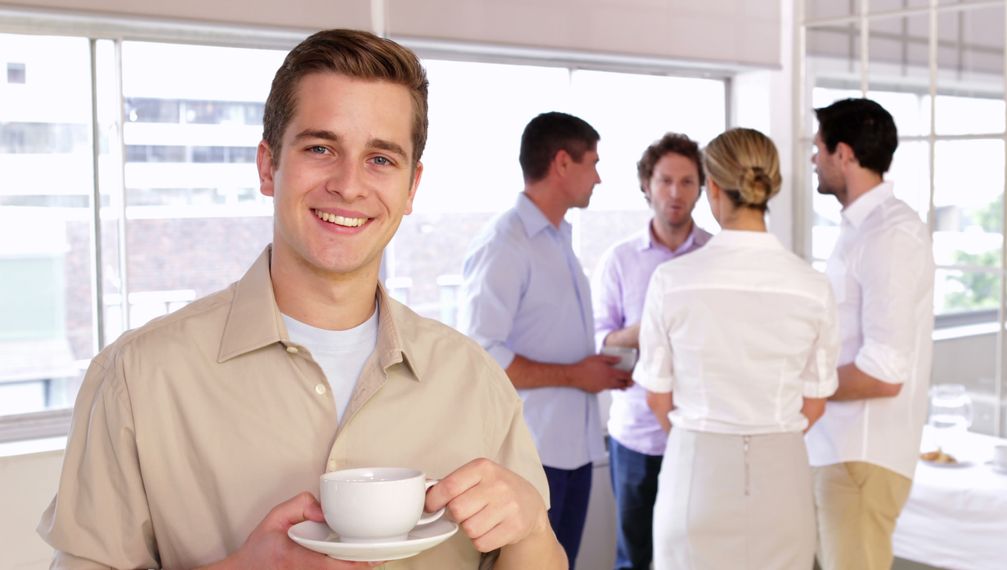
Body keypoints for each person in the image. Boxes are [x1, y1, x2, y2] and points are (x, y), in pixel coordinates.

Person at [38, 29, 567, 570]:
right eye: (320, 148)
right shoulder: (137, 378)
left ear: (412, 188)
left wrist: (531, 530)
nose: (349, 184)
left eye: (381, 160)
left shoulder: (475, 382)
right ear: (269, 166)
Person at [636, 127, 839, 569]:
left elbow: (656, 397)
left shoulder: (672, 281)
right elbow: (817, 403)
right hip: (782, 473)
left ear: (712, 188)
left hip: (695, 471)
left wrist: (703, 445)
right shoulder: (813, 287)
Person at [459, 111, 632, 568]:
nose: (598, 177)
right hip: (531, 457)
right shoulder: (504, 245)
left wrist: (597, 368)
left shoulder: (558, 239)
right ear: (561, 163)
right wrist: (578, 375)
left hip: (575, 451)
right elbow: (482, 355)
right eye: (592, 162)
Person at [804, 98, 934, 570]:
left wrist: (797, 388)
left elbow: (884, 374)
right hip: (840, 450)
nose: (814, 160)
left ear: (844, 154)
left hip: (861, 455)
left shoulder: (890, 234)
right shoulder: (862, 229)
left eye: (818, 149)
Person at [591, 132, 711, 570]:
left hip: (703, 433)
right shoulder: (619, 260)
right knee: (636, 557)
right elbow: (600, 344)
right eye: (664, 181)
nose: (675, 193)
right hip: (637, 436)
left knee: (699, 557)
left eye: (686, 182)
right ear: (646, 184)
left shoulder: (717, 254)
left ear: (702, 188)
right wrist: (654, 325)